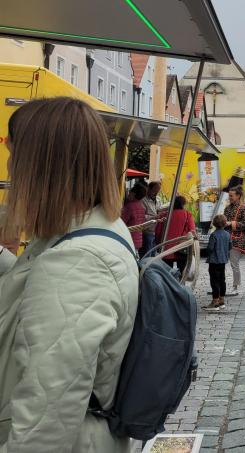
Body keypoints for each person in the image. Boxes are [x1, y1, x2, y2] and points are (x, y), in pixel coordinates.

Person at [0, 97, 138, 452]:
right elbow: (32, 283)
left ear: (40, 168)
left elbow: (47, 418)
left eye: (13, 154)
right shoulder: (95, 229)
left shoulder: (77, 260)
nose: (9, 167)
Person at [155, 195, 197, 274]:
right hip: (182, 248)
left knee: (167, 274)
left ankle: (168, 285)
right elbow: (192, 231)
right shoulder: (187, 215)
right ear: (183, 204)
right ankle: (180, 285)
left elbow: (158, 232)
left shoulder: (164, 215)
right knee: (182, 273)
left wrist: (158, 244)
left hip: (166, 248)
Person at [224, 186, 245, 293]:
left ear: (238, 196)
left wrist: (231, 223)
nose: (229, 197)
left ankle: (235, 286)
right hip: (226, 238)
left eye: (231, 195)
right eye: (229, 195)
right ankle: (223, 285)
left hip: (237, 240)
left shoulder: (243, 209)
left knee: (234, 264)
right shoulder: (227, 208)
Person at [206, 214, 232, 311]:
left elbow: (210, 248)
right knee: (222, 280)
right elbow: (230, 246)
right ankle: (222, 300)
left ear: (214, 224)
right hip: (223, 261)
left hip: (214, 261)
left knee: (214, 281)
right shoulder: (227, 234)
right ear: (225, 223)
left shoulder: (213, 235)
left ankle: (215, 301)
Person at [121, 184, 147, 256]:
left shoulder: (129, 206)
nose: (128, 194)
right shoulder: (141, 206)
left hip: (129, 238)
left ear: (133, 194)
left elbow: (121, 222)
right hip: (138, 239)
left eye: (130, 192)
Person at [140, 181, 162, 257]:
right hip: (147, 230)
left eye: (158, 191)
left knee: (154, 255)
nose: (156, 193)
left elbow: (159, 210)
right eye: (154, 190)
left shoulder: (158, 199)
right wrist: (154, 217)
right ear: (149, 189)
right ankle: (145, 268)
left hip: (156, 230)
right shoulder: (143, 200)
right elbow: (141, 216)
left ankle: (150, 268)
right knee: (147, 254)